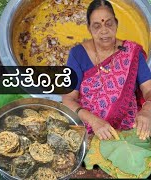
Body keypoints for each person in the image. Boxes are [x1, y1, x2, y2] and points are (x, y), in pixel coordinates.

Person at [62, 0, 151, 140]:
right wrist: (94, 121)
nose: (104, 31)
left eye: (109, 24)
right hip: (90, 132)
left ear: (116, 24)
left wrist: (147, 110)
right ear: (89, 28)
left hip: (130, 130)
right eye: (97, 26)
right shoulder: (78, 54)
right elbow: (68, 99)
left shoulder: (131, 52)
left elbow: (148, 89)